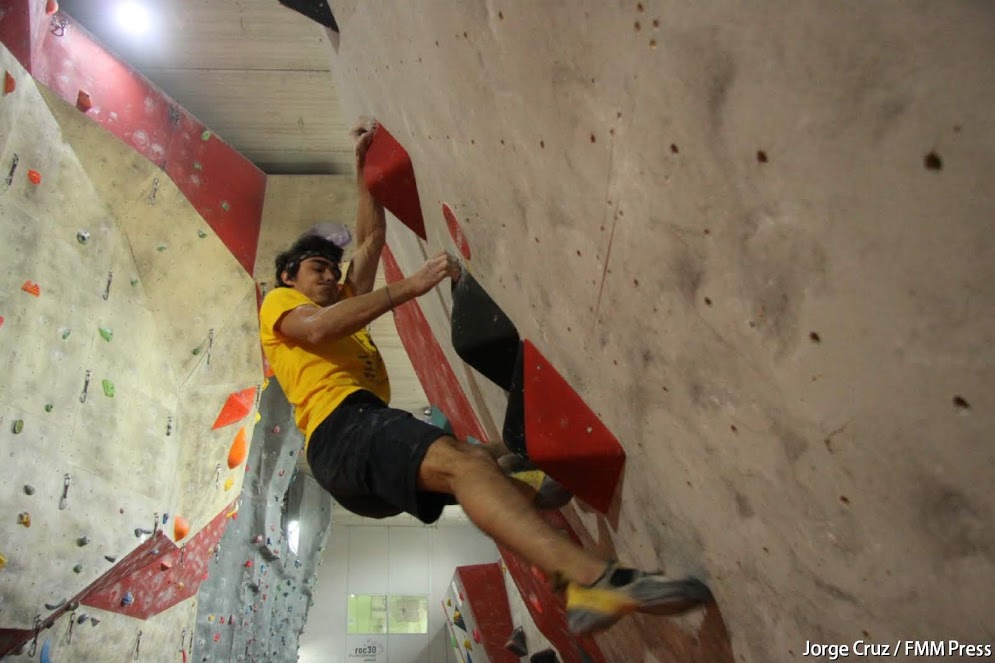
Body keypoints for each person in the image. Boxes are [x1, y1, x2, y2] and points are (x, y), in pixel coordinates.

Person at [258, 119, 711, 635]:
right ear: (289, 275)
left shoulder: (341, 297)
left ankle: (532, 488)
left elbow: (371, 238)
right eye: (317, 267)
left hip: (356, 445)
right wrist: (411, 286)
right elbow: (318, 330)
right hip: (339, 431)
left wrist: (364, 173)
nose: (330, 274)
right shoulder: (281, 303)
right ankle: (586, 579)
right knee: (463, 463)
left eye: (332, 269)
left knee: (481, 463)